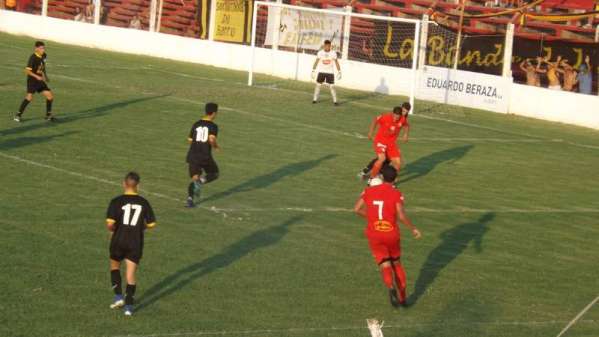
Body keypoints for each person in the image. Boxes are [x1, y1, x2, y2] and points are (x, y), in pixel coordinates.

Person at [354, 165, 421, 307]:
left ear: (382, 177)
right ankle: (403, 298)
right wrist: (413, 228)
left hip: (374, 233)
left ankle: (390, 288)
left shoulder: (369, 190)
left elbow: (356, 209)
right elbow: (401, 216)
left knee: (385, 264)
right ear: (395, 178)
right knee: (396, 263)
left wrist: (372, 218)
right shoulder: (396, 193)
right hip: (391, 233)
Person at [106, 172, 156, 316]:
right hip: (135, 242)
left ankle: (118, 297)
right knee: (130, 274)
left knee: (114, 266)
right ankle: (128, 308)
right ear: (138, 186)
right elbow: (152, 223)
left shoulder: (116, 201)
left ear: (124, 183)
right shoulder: (144, 202)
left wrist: (114, 229)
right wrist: (142, 227)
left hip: (118, 240)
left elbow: (110, 224)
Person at [186, 102, 220, 208]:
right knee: (215, 173)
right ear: (214, 113)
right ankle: (201, 182)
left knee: (195, 177)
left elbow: (190, 140)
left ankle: (190, 199)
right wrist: (215, 146)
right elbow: (211, 139)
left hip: (192, 155)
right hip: (205, 156)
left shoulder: (196, 124)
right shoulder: (213, 126)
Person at [366, 103, 411, 181]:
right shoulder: (385, 117)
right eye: (394, 116)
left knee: (398, 163)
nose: (396, 119)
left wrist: (405, 135)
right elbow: (375, 120)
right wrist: (370, 132)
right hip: (380, 141)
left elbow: (406, 126)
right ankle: (371, 179)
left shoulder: (402, 119)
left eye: (398, 117)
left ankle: (390, 182)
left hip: (391, 144)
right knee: (382, 159)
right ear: (392, 113)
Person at [14, 41, 56, 123]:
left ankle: (48, 115)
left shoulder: (44, 55)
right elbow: (27, 71)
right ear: (36, 48)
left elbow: (43, 67)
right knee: (29, 97)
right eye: (41, 48)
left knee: (50, 96)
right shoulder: (32, 58)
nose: (43, 50)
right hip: (32, 80)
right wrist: (37, 76)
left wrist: (45, 76)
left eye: (43, 48)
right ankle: (18, 115)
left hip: (40, 80)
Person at [311, 40, 341, 105]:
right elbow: (316, 61)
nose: (327, 47)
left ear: (330, 46)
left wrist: (339, 71)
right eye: (326, 46)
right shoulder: (320, 53)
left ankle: (335, 101)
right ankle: (314, 100)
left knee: (332, 87)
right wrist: (313, 70)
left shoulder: (333, 53)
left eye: (328, 46)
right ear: (324, 46)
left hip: (330, 72)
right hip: (321, 71)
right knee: (318, 86)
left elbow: (336, 62)